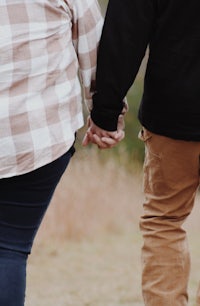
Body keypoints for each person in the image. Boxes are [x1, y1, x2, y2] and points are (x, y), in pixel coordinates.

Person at [83, 0, 200, 305]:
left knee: (164, 220)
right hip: (174, 117)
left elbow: (125, 32)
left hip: (175, 113)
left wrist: (105, 113)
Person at [0, 0, 104, 305]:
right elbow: (93, 43)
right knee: (10, 248)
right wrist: (106, 115)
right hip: (36, 138)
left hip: (37, 142)